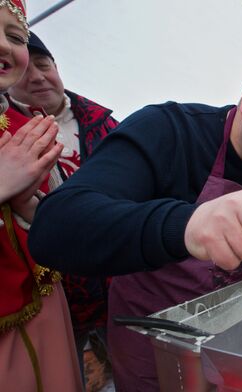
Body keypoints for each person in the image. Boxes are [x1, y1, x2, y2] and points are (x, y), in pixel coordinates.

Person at [28, 34, 242, 391]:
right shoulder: (169, 130)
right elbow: (56, 227)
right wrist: (187, 224)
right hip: (152, 351)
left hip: (238, 350)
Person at [7, 31, 117, 388]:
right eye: (27, 71)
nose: (38, 76)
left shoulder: (107, 123)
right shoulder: (11, 138)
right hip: (56, 294)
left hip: (119, 280)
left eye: (45, 65)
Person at [0, 1, 83, 390]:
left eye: (14, 36)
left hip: (46, 300)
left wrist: (28, 204)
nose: (3, 45)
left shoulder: (27, 126)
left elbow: (55, 220)